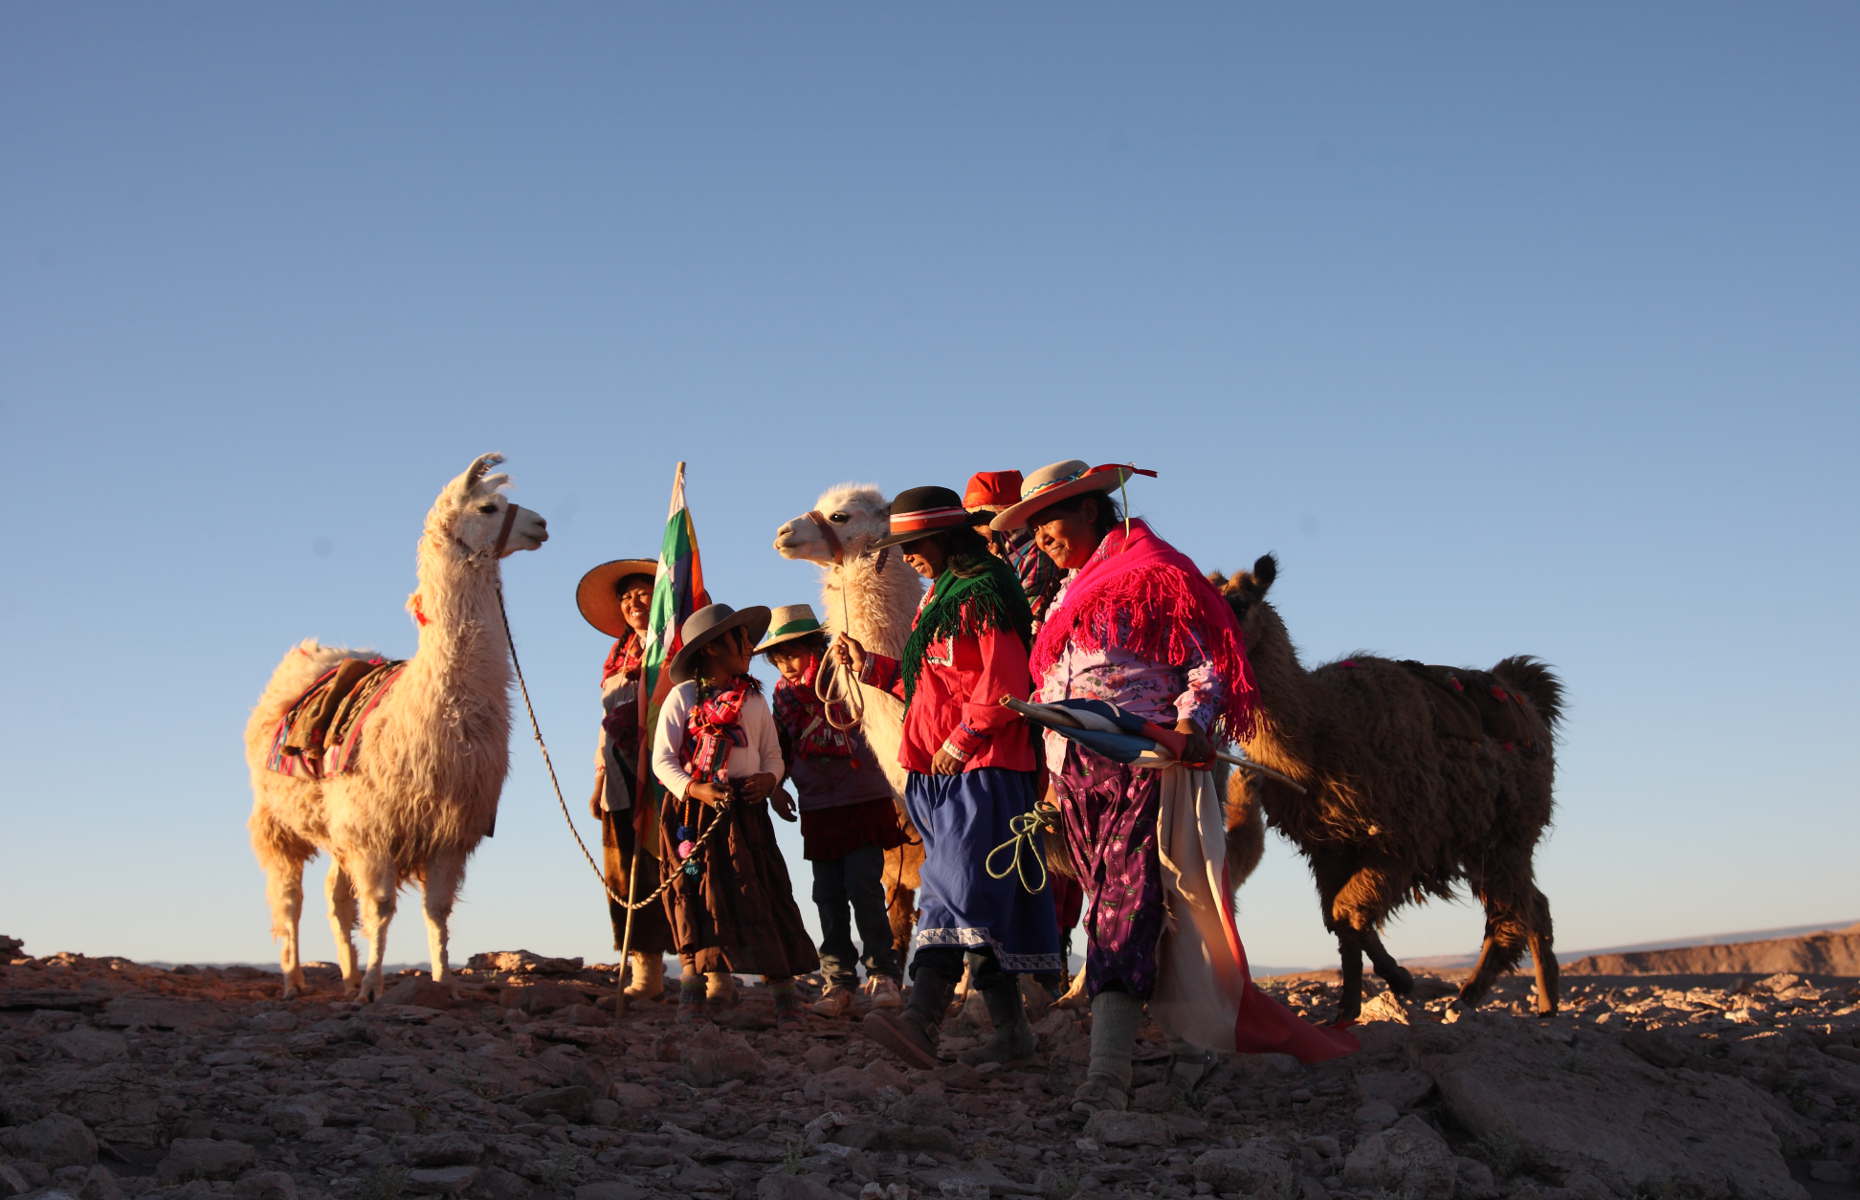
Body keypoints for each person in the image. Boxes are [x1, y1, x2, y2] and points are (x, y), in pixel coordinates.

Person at [991, 460, 1355, 1114]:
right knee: (1109, 890)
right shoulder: (1068, 598)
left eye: (1052, 524)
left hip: (1146, 757)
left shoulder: (1156, 575)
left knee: (1126, 899)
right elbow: (1055, 682)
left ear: (1092, 512)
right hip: (1076, 764)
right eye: (1036, 531)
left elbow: (1208, 659)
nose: (1044, 539)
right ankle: (1188, 1047)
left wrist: (1189, 725)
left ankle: (1109, 1071)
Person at [837, 486, 1062, 1068]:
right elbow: (931, 684)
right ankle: (1013, 1034)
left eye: (913, 544)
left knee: (950, 889)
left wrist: (963, 740)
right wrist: (876, 668)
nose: (905, 555)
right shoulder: (940, 598)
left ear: (943, 539)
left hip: (980, 767)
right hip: (937, 766)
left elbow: (1005, 680)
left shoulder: (986, 593)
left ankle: (921, 1019)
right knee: (972, 895)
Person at [651, 603, 818, 1024]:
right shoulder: (682, 698)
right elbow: (662, 760)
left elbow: (772, 754)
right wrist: (695, 788)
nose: (749, 646)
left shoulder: (756, 701)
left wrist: (770, 780)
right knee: (695, 894)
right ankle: (694, 987)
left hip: (745, 813)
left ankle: (782, 992)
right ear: (710, 649)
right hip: (693, 815)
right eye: (738, 639)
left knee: (760, 890)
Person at [757, 603, 907, 1017]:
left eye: (793, 653)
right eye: (779, 657)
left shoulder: (845, 677)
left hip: (863, 797)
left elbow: (877, 717)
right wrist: (777, 788)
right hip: (819, 805)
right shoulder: (784, 698)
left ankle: (883, 974)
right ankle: (838, 981)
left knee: (864, 888)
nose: (786, 664)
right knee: (827, 895)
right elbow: (782, 747)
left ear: (814, 647)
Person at [575, 559, 676, 1001]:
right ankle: (645, 972)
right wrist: (599, 780)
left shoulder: (676, 648)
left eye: (643, 593)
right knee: (627, 872)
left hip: (670, 773)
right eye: (627, 597)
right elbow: (605, 723)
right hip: (619, 771)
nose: (634, 603)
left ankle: (707, 971)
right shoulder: (616, 658)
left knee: (682, 865)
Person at [964, 470, 1063, 628]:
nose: (976, 533)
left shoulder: (1035, 553)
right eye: (972, 526)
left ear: (1004, 520)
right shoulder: (992, 557)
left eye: (981, 523)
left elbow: (1025, 617)